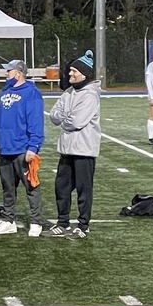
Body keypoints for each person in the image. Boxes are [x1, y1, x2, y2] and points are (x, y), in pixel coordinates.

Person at [45, 51, 102, 239]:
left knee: (84, 190)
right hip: (66, 148)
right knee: (62, 187)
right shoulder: (69, 92)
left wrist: (64, 118)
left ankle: (83, 226)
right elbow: (54, 115)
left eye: (73, 72)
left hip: (84, 149)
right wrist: (65, 117)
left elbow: (75, 122)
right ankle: (62, 223)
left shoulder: (90, 95)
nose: (70, 75)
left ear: (84, 74)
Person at [0, 59, 46, 237]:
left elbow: (36, 121)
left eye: (9, 71)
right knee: (7, 188)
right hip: (5, 148)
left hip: (23, 149)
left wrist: (33, 146)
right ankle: (8, 220)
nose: (6, 74)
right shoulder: (4, 91)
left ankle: (36, 221)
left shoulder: (32, 93)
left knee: (31, 187)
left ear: (19, 73)